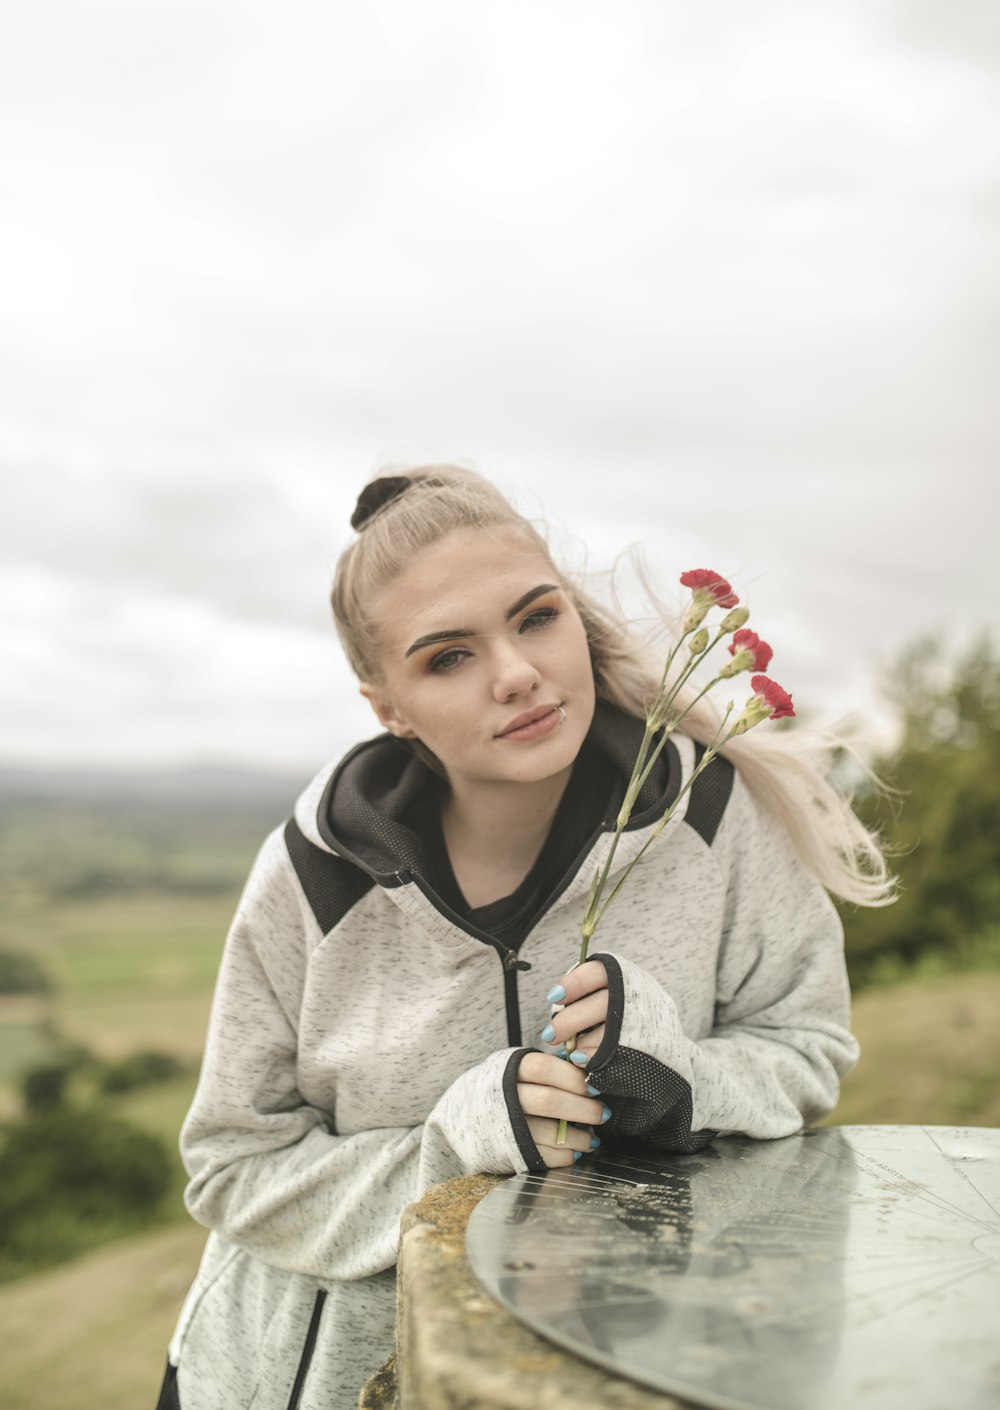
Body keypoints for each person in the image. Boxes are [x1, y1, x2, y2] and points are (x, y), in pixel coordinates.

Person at [154, 464, 892, 1410]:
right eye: (448, 657)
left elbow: (809, 1045)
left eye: (536, 617)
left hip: (631, 1374)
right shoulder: (314, 873)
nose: (517, 674)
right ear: (389, 707)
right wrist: (456, 1145)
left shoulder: (710, 813)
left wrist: (676, 1075)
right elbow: (232, 1167)